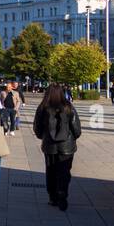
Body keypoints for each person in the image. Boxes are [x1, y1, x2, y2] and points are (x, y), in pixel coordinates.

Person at [33, 83, 81, 211]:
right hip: (67, 145)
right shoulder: (68, 107)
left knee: (51, 170)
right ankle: (62, 192)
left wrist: (42, 136)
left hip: (50, 145)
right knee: (64, 171)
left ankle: (53, 196)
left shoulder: (43, 107)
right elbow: (76, 128)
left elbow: (37, 127)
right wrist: (73, 138)